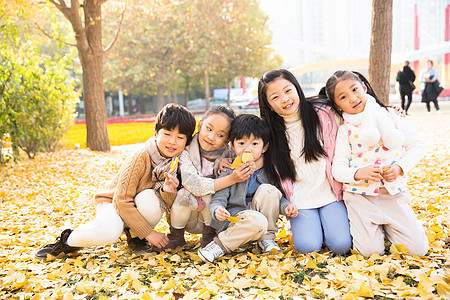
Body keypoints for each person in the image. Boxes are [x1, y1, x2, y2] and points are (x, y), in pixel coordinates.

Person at [35, 103, 196, 260]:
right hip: (113, 203)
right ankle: (67, 241)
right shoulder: (142, 156)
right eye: (167, 134)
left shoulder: (178, 162)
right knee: (109, 232)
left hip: (137, 205)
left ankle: (135, 236)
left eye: (180, 137)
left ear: (186, 141)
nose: (172, 142)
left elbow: (165, 205)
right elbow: (121, 200)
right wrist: (149, 233)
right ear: (155, 134)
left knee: (152, 201)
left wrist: (168, 192)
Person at [326, 70, 429, 257]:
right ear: (337, 105)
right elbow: (338, 169)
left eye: (355, 89)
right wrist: (357, 173)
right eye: (343, 97)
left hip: (393, 195)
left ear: (364, 87)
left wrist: (400, 167)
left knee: (417, 250)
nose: (352, 98)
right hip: (360, 199)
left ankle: (392, 229)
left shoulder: (391, 115)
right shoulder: (344, 130)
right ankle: (375, 232)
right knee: (368, 252)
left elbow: (417, 146)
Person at [258, 69, 352, 255]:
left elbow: (356, 113)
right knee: (308, 247)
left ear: (297, 88)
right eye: (275, 97)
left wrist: (389, 112)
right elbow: (246, 144)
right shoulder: (269, 132)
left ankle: (328, 226)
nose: (284, 99)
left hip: (330, 193)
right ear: (268, 105)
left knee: (341, 245)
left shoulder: (323, 114)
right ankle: (313, 228)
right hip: (300, 198)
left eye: (288, 91)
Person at [197, 114, 298, 263]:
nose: (247, 149)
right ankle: (219, 246)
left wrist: (286, 206)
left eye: (255, 144)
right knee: (257, 221)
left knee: (269, 190)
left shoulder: (268, 170)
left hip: (258, 217)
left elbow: (277, 197)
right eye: (241, 143)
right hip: (235, 219)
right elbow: (218, 199)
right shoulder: (229, 168)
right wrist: (217, 210)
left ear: (265, 147)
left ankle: (266, 239)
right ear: (232, 146)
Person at [161, 105, 254, 250]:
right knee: (185, 193)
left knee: (210, 195)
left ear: (227, 140)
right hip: (186, 217)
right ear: (200, 125)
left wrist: (237, 167)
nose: (211, 137)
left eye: (220, 135)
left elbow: (251, 159)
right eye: (209, 129)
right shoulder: (185, 151)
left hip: (213, 218)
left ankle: (209, 236)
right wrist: (231, 178)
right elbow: (194, 184)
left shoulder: (230, 156)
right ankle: (176, 236)